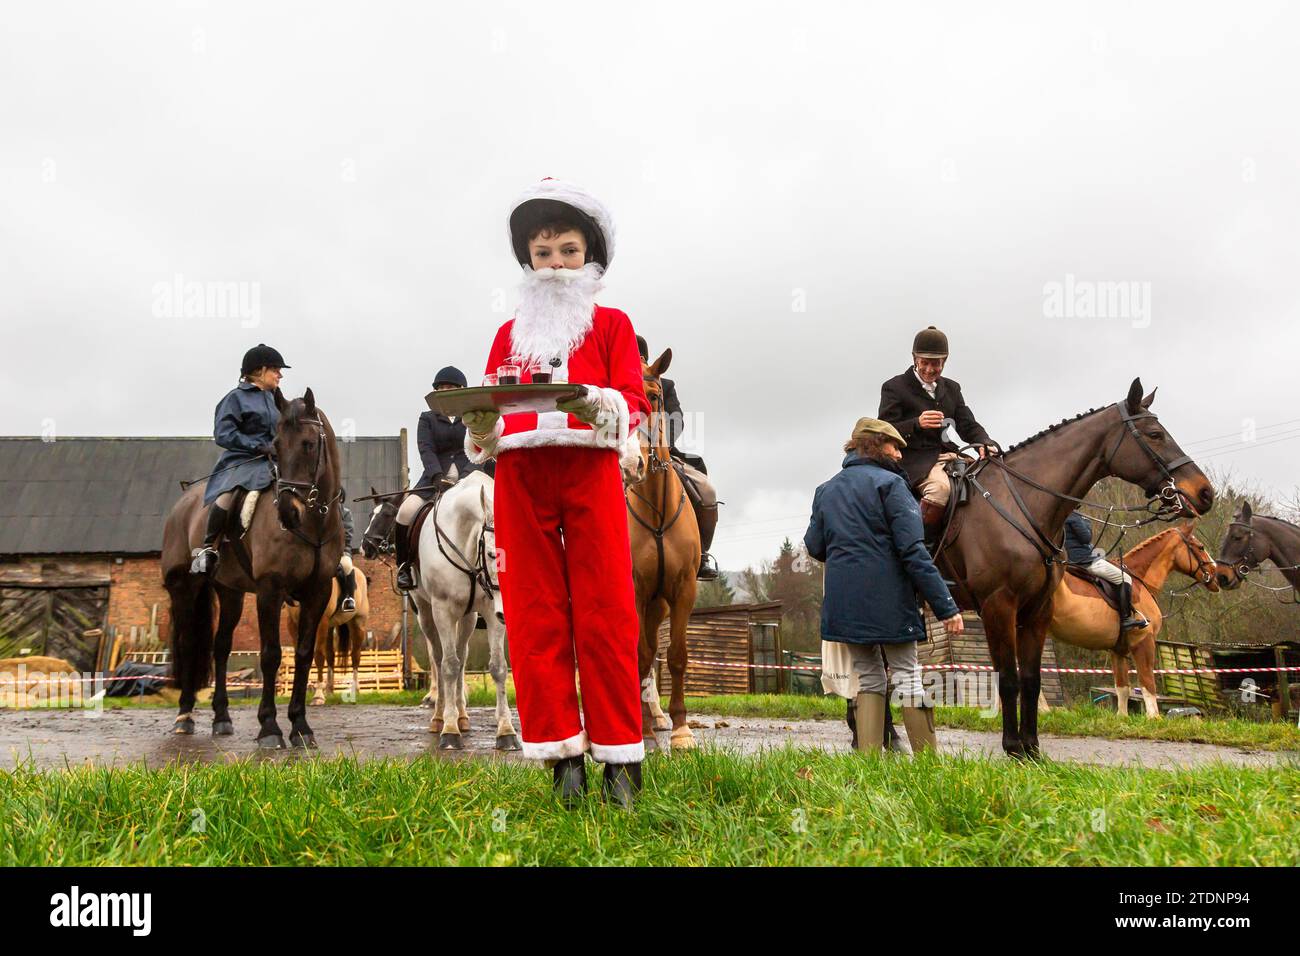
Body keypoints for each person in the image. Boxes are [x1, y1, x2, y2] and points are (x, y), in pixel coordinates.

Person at [461, 178, 650, 808]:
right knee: (534, 613)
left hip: (589, 469)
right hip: (520, 475)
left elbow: (635, 400)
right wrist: (480, 428)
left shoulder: (613, 324)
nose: (556, 265)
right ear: (528, 261)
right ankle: (559, 753)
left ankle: (620, 757)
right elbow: (488, 410)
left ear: (590, 256)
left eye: (568, 251)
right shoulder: (508, 333)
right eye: (543, 254)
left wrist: (600, 404)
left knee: (606, 611)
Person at [804, 417, 964, 755]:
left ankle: (870, 761)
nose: (899, 455)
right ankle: (928, 766)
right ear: (874, 446)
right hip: (891, 603)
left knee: (869, 677)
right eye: (894, 447)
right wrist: (946, 606)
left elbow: (815, 546)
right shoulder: (892, 487)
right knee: (907, 674)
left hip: (845, 605)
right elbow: (913, 552)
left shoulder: (826, 490)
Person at [878, 326, 997, 529]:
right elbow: (883, 431)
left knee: (992, 477)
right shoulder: (894, 387)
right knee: (940, 490)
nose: (930, 369)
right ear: (915, 358)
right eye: (925, 363)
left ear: (945, 361)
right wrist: (917, 423)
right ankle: (923, 546)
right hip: (916, 461)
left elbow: (967, 424)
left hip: (950, 454)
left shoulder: (952, 388)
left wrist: (984, 443)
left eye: (936, 364)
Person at [190, 344, 288, 575]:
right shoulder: (235, 398)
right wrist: (256, 446)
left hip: (276, 460)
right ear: (261, 370)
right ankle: (209, 549)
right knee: (227, 496)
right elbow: (223, 434)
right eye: (276, 370)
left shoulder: (277, 400)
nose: (280, 375)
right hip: (243, 460)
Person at [394, 365, 490, 592]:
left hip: (471, 478)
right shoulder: (427, 418)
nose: (445, 390)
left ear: (461, 391)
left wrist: (465, 477)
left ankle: (496, 573)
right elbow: (426, 449)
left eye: (450, 388)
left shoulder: (472, 417)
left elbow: (481, 447)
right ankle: (405, 566)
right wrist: (437, 476)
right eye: (441, 388)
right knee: (405, 512)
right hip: (434, 480)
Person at [635, 334, 720, 580]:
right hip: (627, 457)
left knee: (707, 491)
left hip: (663, 455)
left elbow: (676, 418)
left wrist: (659, 443)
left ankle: (702, 554)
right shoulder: (617, 386)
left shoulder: (666, 385)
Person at [1063, 509, 1148, 631]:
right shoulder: (1074, 516)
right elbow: (1086, 538)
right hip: (1084, 560)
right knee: (1125, 578)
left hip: (1070, 559)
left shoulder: (1061, 514)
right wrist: (1085, 523)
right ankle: (1126, 619)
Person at [337, 504, 357, 612]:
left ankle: (349, 598)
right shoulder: (321, 511)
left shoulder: (345, 513)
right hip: (322, 551)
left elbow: (348, 535)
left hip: (341, 550)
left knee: (347, 565)